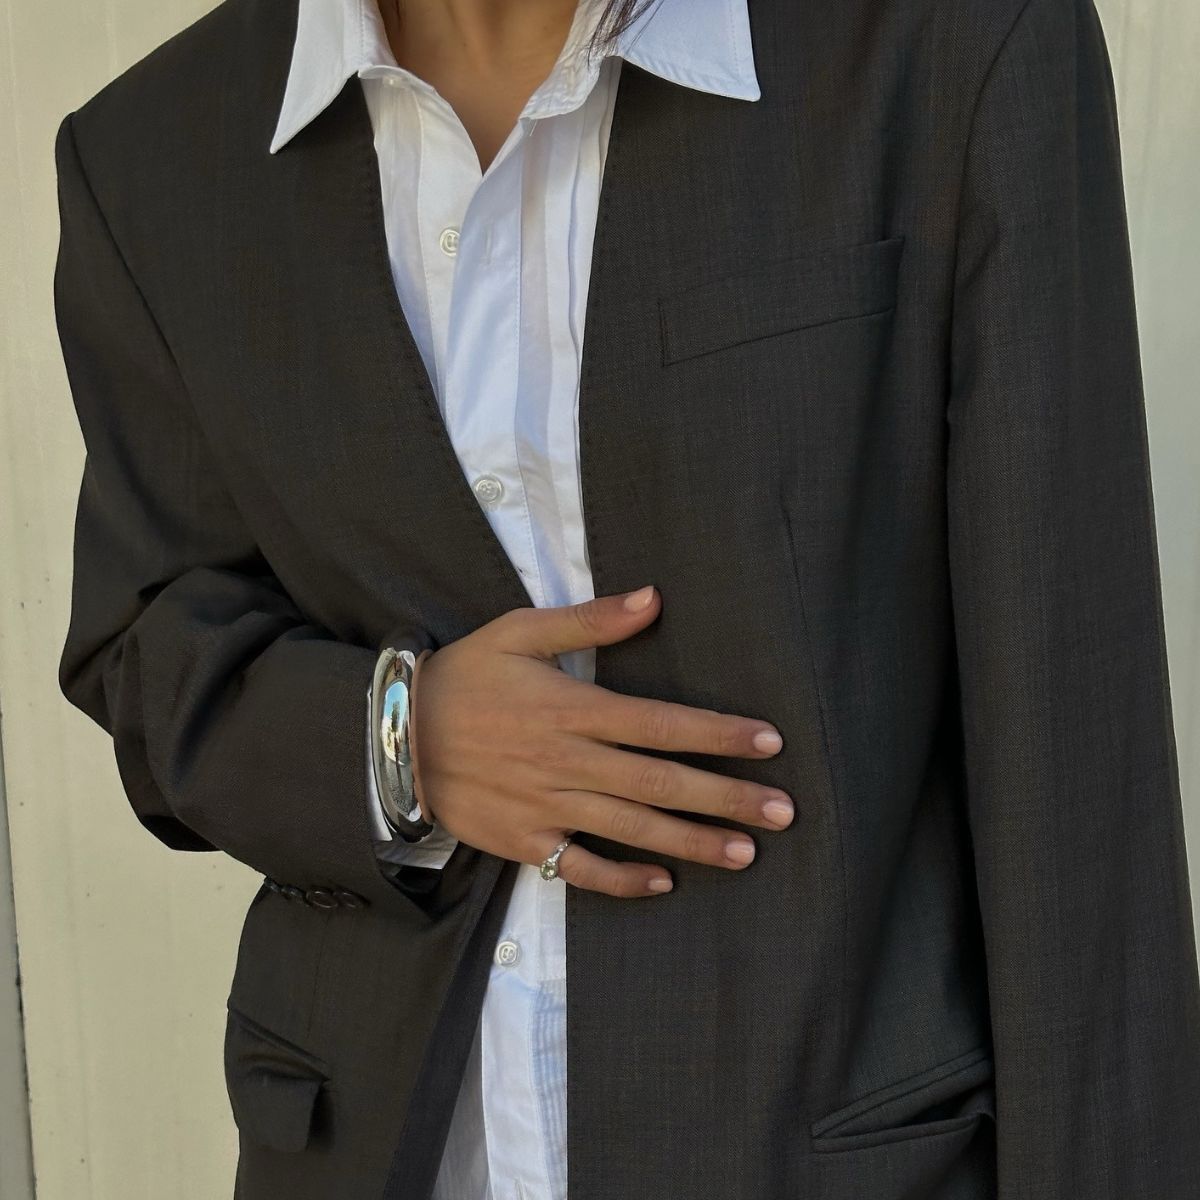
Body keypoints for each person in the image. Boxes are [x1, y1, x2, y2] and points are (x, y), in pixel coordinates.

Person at [50, 0, 1200, 1195]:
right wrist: (399, 742)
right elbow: (146, 646)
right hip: (375, 1150)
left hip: (821, 1151)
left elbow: (1076, 759)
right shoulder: (153, 154)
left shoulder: (956, 50)